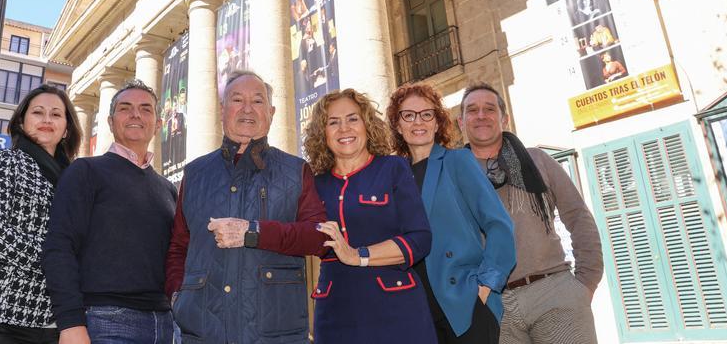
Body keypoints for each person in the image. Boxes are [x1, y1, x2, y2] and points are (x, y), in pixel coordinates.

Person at [165, 70, 327, 344]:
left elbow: (320, 237)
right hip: (202, 334)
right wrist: (177, 296)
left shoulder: (296, 170)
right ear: (222, 110)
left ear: (272, 112)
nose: (247, 109)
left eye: (258, 101)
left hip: (275, 333)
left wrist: (254, 232)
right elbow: (179, 247)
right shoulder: (194, 174)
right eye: (237, 100)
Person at [459, 83, 603, 344]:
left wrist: (585, 284)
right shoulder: (453, 173)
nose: (481, 115)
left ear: (504, 117)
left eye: (489, 109)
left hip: (554, 292)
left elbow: (578, 217)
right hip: (493, 304)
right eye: (472, 110)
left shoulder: (537, 160)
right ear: (461, 121)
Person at [43, 79, 177, 344]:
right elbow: (59, 247)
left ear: (159, 124)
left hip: (164, 324)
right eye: (125, 108)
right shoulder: (84, 172)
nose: (136, 114)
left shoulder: (168, 189)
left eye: (146, 109)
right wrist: (70, 323)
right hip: (105, 321)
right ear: (110, 121)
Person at [0, 84, 82, 343]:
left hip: (50, 322)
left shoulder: (75, 179)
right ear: (21, 122)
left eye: (56, 114)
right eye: (37, 112)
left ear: (67, 128)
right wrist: (56, 259)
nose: (46, 119)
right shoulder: (6, 161)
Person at [304, 88, 436, 343]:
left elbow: (420, 239)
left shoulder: (393, 168)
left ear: (367, 125)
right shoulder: (313, 184)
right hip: (335, 314)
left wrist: (358, 255)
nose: (344, 129)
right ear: (323, 133)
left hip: (397, 312)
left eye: (353, 119)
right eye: (333, 122)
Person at [386, 83, 516, 343]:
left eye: (427, 114)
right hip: (413, 306)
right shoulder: (391, 175)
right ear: (398, 126)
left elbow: (499, 225)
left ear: (437, 122)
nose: (418, 122)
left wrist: (486, 285)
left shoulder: (457, 161)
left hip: (463, 303)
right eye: (408, 115)